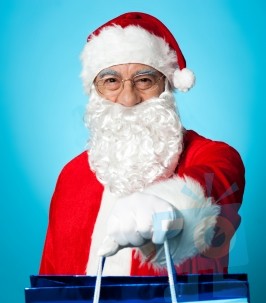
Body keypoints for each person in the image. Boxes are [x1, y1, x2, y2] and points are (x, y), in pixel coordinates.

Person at [39, 12, 245, 277]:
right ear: (95, 90)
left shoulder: (211, 155)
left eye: (144, 80)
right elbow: (50, 277)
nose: (128, 98)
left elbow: (216, 179)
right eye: (111, 81)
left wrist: (171, 204)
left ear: (167, 86)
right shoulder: (71, 176)